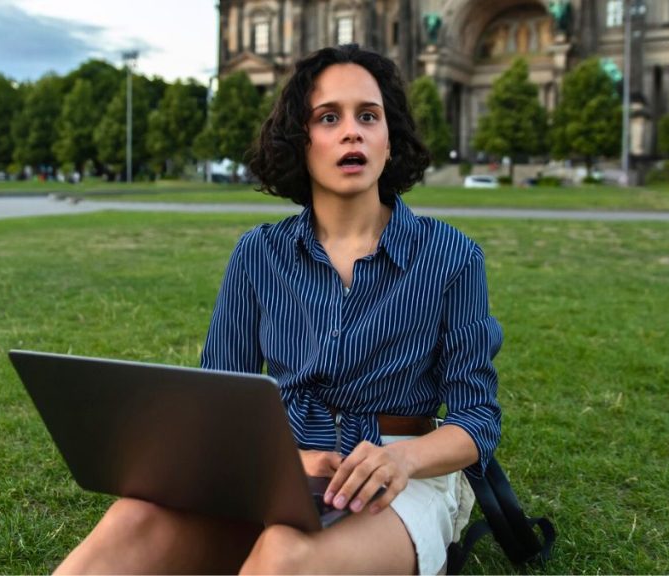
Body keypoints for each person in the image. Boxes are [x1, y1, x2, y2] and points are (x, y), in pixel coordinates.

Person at [54, 44, 502, 575]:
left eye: (369, 116)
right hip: (273, 465)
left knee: (284, 556)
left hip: (396, 477)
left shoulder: (452, 256)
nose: (351, 132)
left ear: (390, 139)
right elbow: (216, 399)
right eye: (328, 118)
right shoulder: (257, 253)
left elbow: (477, 419)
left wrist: (402, 458)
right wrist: (284, 464)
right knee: (128, 524)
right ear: (300, 140)